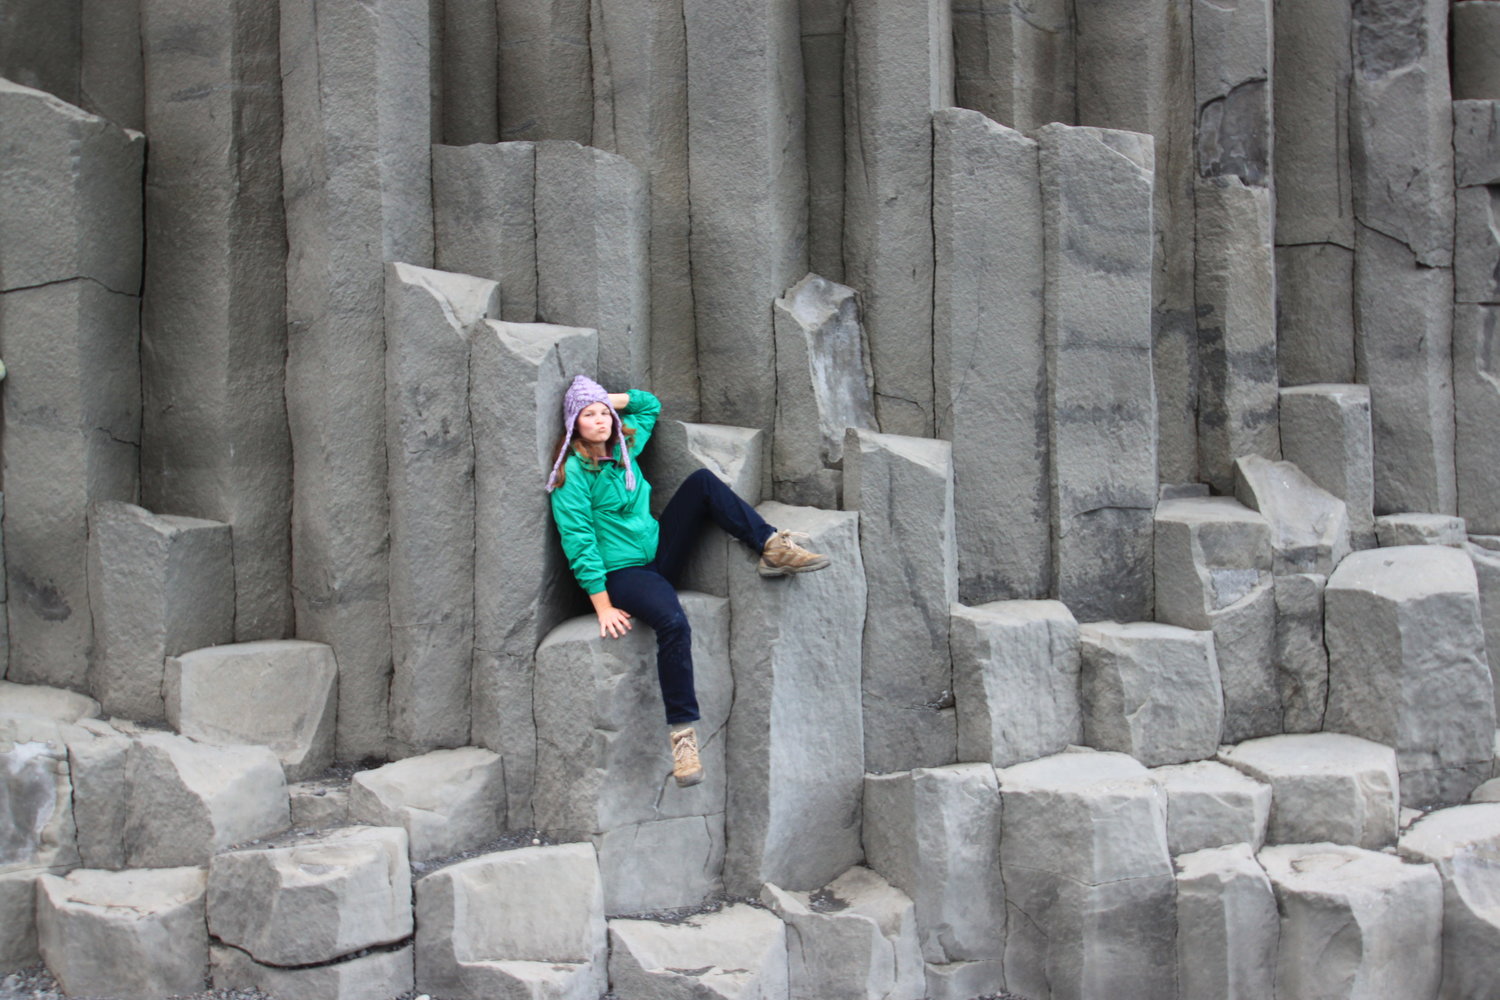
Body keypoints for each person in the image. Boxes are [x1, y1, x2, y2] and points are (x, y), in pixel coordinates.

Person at [546, 374, 829, 786]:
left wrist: (607, 397)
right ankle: (683, 738)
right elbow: (579, 542)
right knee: (674, 623)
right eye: (588, 415)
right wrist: (602, 605)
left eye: (603, 413)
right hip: (623, 574)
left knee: (702, 483)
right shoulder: (573, 474)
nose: (601, 420)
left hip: (658, 552)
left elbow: (649, 406)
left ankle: (770, 546)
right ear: (574, 424)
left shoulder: (625, 448)